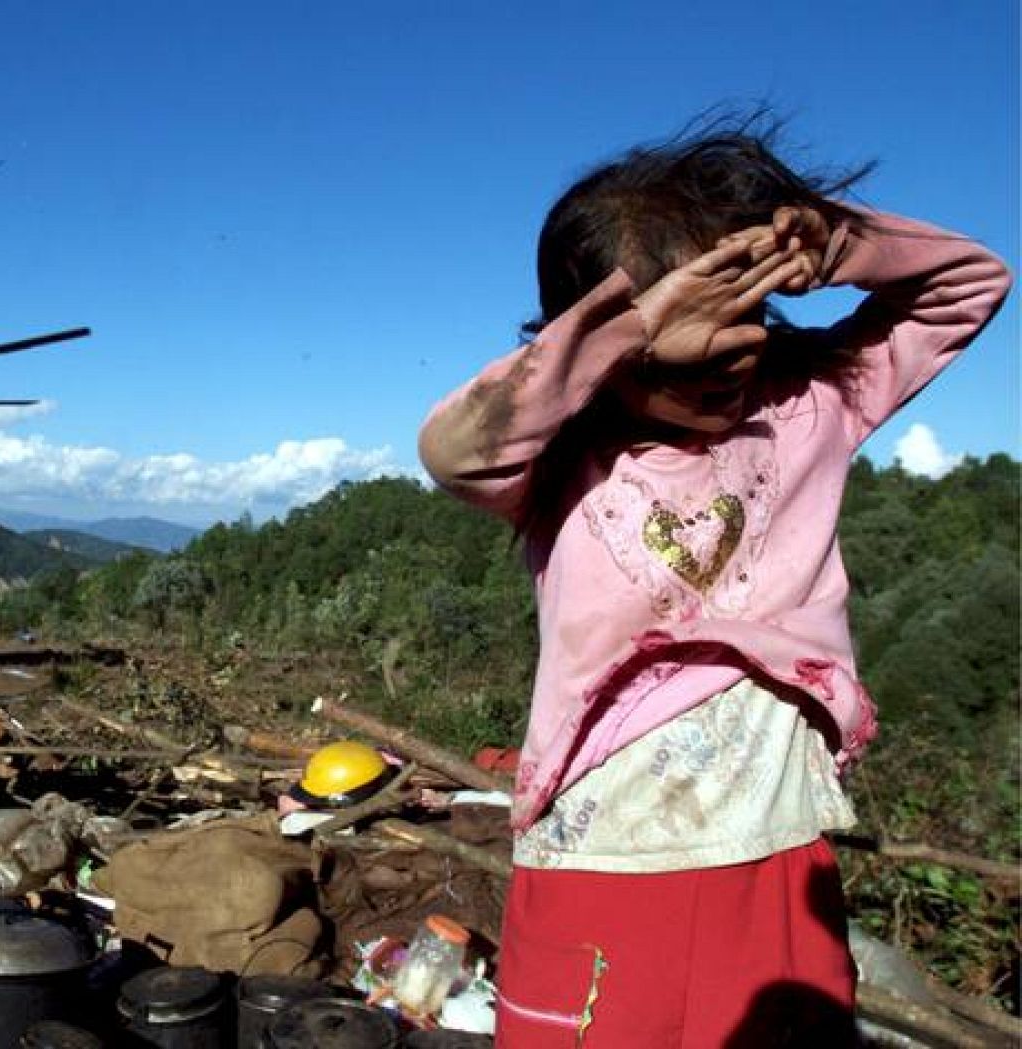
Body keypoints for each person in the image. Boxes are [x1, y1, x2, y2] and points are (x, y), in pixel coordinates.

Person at [417, 117, 1011, 1047]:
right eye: (678, 350)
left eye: (746, 321)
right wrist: (634, 321)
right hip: (600, 862)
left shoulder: (809, 412)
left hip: (774, 858)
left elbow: (968, 283)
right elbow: (453, 448)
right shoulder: (561, 473)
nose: (723, 357)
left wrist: (835, 241)